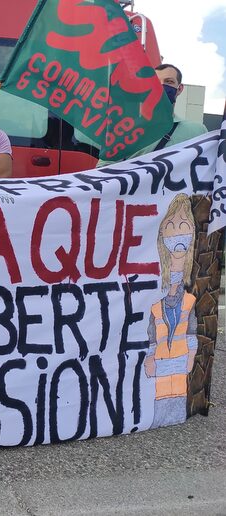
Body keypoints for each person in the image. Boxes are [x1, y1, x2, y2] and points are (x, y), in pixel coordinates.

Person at [144, 194, 198, 429]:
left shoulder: (189, 300)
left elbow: (191, 333)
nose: (178, 233)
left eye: (184, 226)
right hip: (161, 374)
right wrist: (149, 356)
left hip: (179, 370)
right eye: (171, 226)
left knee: (174, 406)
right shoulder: (156, 302)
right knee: (161, 408)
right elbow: (152, 332)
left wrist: (191, 358)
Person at [98, 64, 208, 166]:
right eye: (155, 81)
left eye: (169, 82)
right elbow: (102, 173)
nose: (161, 86)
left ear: (179, 89)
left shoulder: (197, 132)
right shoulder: (124, 129)